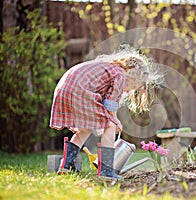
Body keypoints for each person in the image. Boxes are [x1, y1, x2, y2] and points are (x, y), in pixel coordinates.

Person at [49, 45, 163, 179]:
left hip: (65, 89)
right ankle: (106, 170)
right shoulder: (121, 75)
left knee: (85, 129)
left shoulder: (109, 67)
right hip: (80, 91)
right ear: (133, 77)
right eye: (132, 87)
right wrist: (115, 120)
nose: (128, 91)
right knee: (110, 125)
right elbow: (110, 105)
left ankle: (66, 164)